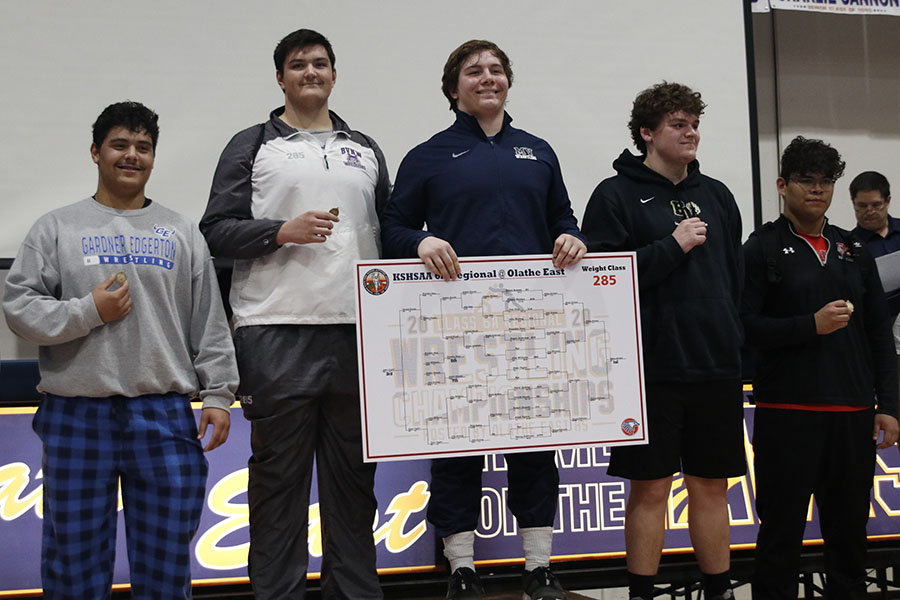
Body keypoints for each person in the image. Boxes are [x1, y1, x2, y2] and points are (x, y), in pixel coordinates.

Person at [2, 101, 236, 599]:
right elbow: (19, 309)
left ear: (153, 157)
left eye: (143, 147)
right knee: (74, 566)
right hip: (76, 416)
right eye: (120, 144)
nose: (132, 155)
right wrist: (89, 311)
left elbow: (209, 322)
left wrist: (219, 393)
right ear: (96, 152)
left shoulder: (181, 231)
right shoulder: (56, 227)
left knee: (167, 563)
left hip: (164, 416)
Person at [381, 39, 586, 600]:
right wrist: (421, 241)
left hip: (531, 329)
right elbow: (392, 229)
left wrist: (571, 236)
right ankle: (462, 570)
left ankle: (539, 569)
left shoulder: (538, 151)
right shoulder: (427, 155)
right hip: (454, 331)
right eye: (475, 71)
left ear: (508, 82)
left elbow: (563, 218)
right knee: (455, 448)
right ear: (454, 88)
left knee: (536, 446)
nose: (488, 78)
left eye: (497, 70)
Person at [201, 28, 390, 600]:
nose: (311, 72)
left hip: (358, 333)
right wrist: (278, 232)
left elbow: (391, 233)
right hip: (275, 330)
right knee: (279, 482)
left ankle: (354, 592)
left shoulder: (366, 148)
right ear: (280, 77)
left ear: (334, 74)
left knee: (354, 484)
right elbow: (215, 230)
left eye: (321, 64)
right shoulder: (252, 143)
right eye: (298, 65)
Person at [580, 82, 744, 600]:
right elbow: (601, 278)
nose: (691, 131)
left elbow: (732, 277)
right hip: (649, 369)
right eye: (678, 123)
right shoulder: (614, 195)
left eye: (694, 122)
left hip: (715, 364)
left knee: (711, 486)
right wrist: (670, 248)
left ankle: (718, 590)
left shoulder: (717, 195)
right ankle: (641, 595)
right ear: (647, 133)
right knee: (650, 489)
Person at [742, 136, 898, 599]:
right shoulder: (761, 248)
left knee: (850, 537)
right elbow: (743, 328)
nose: (817, 190)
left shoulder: (853, 249)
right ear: (782, 186)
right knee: (780, 537)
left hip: (852, 415)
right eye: (806, 181)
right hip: (787, 414)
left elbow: (878, 337)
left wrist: (887, 405)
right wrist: (809, 325)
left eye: (825, 181)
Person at [849, 171, 900, 318]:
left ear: (887, 201)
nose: (870, 211)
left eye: (876, 205)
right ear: (854, 203)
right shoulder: (849, 246)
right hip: (876, 325)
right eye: (863, 205)